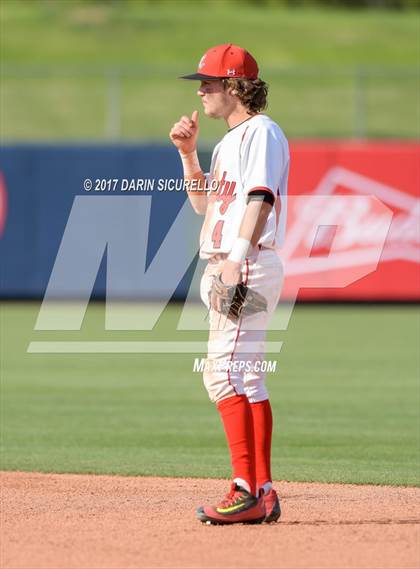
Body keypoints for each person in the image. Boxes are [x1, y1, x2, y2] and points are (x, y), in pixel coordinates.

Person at [169, 44, 289, 525]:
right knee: (248, 378)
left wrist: (237, 261)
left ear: (236, 86)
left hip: (245, 261)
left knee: (220, 375)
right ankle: (263, 490)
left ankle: (245, 490)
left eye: (209, 82)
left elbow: (262, 196)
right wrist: (187, 156)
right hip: (233, 260)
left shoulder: (261, 131)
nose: (201, 91)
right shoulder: (228, 142)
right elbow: (205, 206)